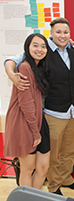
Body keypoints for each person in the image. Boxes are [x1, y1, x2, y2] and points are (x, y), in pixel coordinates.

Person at [4, 17, 74, 196]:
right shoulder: (42, 50)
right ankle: (54, 186)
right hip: (51, 112)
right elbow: (13, 58)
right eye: (58, 32)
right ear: (51, 34)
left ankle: (66, 178)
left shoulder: (73, 50)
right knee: (50, 156)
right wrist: (11, 73)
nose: (62, 36)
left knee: (70, 151)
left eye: (65, 32)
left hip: (72, 110)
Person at [4, 33, 51, 189]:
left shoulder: (37, 67)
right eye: (35, 45)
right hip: (26, 123)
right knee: (28, 169)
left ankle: (34, 197)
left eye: (43, 46)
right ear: (27, 48)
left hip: (39, 120)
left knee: (43, 167)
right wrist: (34, 131)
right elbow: (26, 103)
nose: (40, 49)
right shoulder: (24, 67)